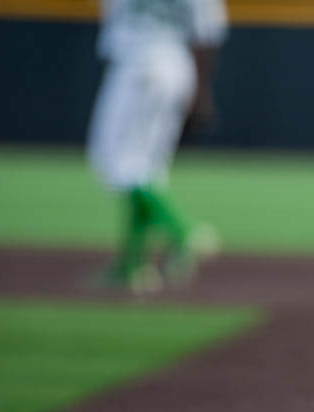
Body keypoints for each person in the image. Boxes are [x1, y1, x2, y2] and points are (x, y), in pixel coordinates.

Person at [86, 0, 227, 291]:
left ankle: (183, 229)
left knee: (116, 163)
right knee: (146, 169)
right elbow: (208, 33)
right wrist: (201, 91)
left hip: (137, 66)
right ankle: (134, 264)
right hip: (177, 67)